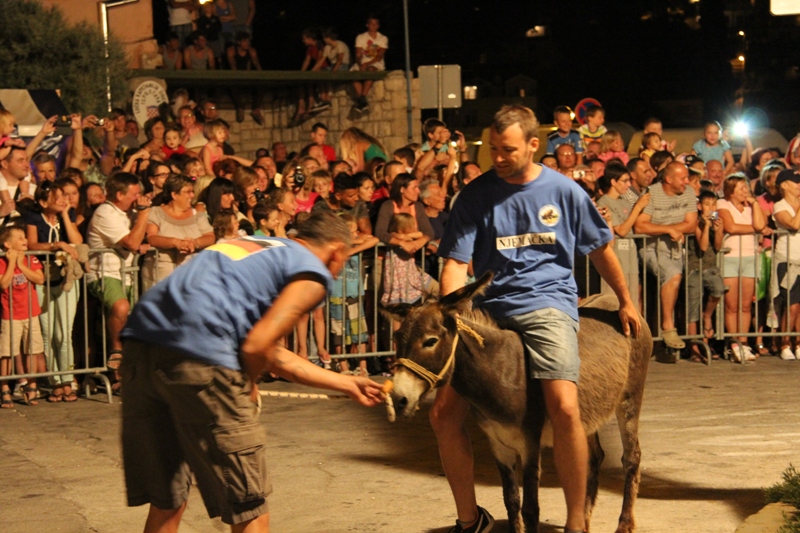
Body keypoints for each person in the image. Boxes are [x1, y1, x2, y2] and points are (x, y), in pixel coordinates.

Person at [435, 105, 639, 533]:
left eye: (507, 149)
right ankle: (470, 519)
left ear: (533, 144)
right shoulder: (475, 194)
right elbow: (455, 263)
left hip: (548, 306)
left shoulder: (565, 192)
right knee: (442, 415)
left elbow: (601, 249)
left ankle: (575, 522)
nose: (498, 157)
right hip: (488, 311)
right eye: (492, 149)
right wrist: (450, 309)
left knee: (565, 408)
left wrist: (625, 299)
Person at [118, 211, 384, 533]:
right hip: (200, 353)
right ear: (337, 250)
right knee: (249, 503)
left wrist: (345, 382)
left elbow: (270, 353)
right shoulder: (312, 269)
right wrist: (247, 383)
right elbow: (257, 347)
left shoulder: (254, 246)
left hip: (139, 346)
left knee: (169, 497)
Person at [85, 172, 152, 378]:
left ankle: (120, 377)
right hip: (104, 273)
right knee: (120, 306)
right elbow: (131, 242)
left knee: (128, 322)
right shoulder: (106, 212)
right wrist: (143, 214)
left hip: (127, 274)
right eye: (134, 194)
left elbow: (138, 239)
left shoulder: (129, 212)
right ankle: (117, 350)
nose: (138, 198)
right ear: (119, 195)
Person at [25, 181, 84, 402]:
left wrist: (66, 215)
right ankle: (54, 381)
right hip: (42, 279)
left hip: (65, 279)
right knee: (49, 334)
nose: (63, 199)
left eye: (64, 195)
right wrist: (55, 245)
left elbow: (77, 242)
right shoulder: (34, 218)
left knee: (64, 334)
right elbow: (32, 244)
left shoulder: (65, 217)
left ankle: (68, 379)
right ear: (43, 201)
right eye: (57, 196)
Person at [634, 162, 698, 350]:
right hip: (652, 248)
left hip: (675, 248)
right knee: (672, 275)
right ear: (668, 179)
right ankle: (668, 326)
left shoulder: (688, 193)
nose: (687, 181)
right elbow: (640, 226)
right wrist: (668, 229)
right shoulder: (651, 193)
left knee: (676, 280)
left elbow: (691, 224)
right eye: (683, 178)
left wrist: (665, 229)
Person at [717, 175, 766, 361]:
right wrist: (755, 228)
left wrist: (755, 205)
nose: (745, 190)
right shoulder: (722, 204)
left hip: (749, 256)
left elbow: (761, 224)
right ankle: (734, 343)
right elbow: (731, 226)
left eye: (746, 187)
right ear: (731, 190)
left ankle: (744, 342)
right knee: (731, 305)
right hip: (730, 257)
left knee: (745, 306)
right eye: (741, 188)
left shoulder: (751, 207)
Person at [143, 175, 215, 291]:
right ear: (174, 194)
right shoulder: (156, 212)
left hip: (190, 275)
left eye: (192, 191)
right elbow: (152, 237)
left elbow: (210, 236)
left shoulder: (198, 215)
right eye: (188, 192)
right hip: (161, 276)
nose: (192, 195)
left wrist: (195, 243)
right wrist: (175, 242)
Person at [0, 226, 46, 406]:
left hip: (30, 312)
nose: (24, 240)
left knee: (32, 350)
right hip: (10, 314)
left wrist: (20, 264)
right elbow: (4, 283)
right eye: (19, 238)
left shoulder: (31, 259)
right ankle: (4, 388)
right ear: (7, 244)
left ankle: (32, 386)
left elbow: (40, 279)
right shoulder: (2, 261)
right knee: (6, 353)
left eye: (24, 237)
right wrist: (12, 262)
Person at [596, 163, 650, 307]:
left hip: (630, 259)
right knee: (613, 303)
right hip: (615, 259)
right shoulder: (604, 203)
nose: (628, 185)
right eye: (625, 181)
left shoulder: (625, 202)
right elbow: (622, 230)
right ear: (613, 182)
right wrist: (638, 206)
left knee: (632, 302)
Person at [330, 214, 378, 376]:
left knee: (359, 331)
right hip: (337, 293)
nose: (355, 234)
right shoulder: (335, 243)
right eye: (351, 231)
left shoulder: (355, 243)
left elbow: (374, 240)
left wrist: (352, 249)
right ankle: (343, 367)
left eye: (356, 231)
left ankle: (362, 366)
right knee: (339, 331)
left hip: (354, 292)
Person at [686, 190, 725, 361]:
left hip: (710, 266)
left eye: (714, 204)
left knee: (718, 288)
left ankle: (707, 316)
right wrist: (707, 226)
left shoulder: (717, 221)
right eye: (708, 204)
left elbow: (716, 246)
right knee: (692, 308)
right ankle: (694, 348)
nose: (711, 208)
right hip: (694, 267)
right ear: (700, 206)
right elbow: (702, 247)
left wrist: (717, 230)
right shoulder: (696, 221)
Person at [771, 169, 800, 360]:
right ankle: (784, 344)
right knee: (791, 305)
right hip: (787, 259)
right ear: (784, 185)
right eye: (795, 181)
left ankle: (798, 343)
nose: (799, 184)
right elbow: (793, 224)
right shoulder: (779, 206)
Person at [226, 32, 265, 125]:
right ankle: (240, 108)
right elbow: (232, 65)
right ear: (238, 42)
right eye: (244, 41)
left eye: (248, 41)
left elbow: (257, 65)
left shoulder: (251, 51)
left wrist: (263, 77)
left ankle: (256, 109)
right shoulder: (231, 50)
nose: (247, 43)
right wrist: (238, 77)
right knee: (232, 86)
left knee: (262, 86)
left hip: (248, 77)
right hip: (236, 77)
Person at [352, 15, 388, 114]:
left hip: (375, 63)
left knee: (371, 70)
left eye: (375, 24)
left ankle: (361, 99)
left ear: (378, 26)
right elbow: (358, 54)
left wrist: (367, 64)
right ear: (367, 25)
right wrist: (360, 64)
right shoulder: (360, 37)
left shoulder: (382, 38)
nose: (373, 26)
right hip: (363, 62)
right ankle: (362, 100)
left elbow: (379, 56)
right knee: (354, 74)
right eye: (371, 24)